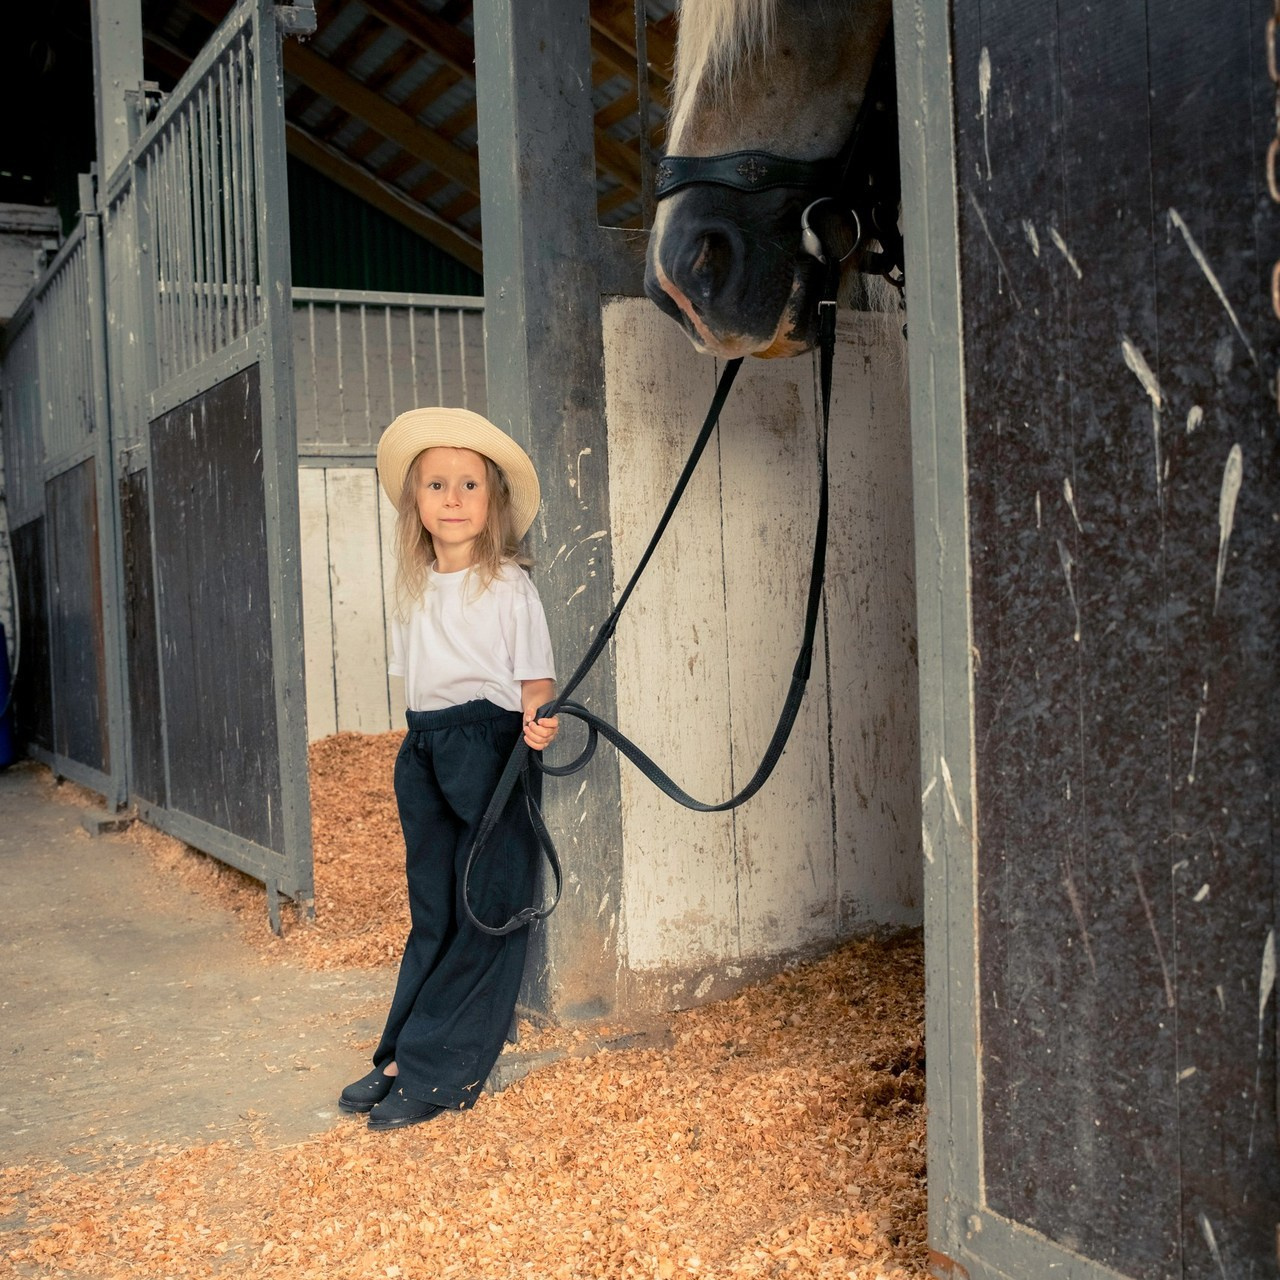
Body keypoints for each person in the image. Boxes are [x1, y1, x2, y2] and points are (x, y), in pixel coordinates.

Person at [338, 406, 559, 1131]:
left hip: (490, 745)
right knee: (433, 907)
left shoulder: (508, 587)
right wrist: (420, 754)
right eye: (437, 485)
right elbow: (418, 685)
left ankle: (439, 1066)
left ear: (493, 501)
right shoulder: (414, 589)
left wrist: (538, 723)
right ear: (417, 502)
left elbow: (535, 683)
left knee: (484, 904)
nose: (454, 498)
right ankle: (403, 1050)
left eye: (470, 484)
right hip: (427, 747)